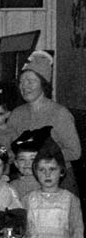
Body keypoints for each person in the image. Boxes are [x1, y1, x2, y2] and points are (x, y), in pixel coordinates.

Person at [8, 51, 81, 194]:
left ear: (43, 84)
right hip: (26, 182)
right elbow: (9, 147)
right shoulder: (16, 114)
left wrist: (42, 158)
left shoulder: (60, 114)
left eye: (30, 81)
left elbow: (75, 152)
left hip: (59, 182)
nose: (24, 86)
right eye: (21, 82)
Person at [23, 145, 83, 238]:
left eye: (52, 169)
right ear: (35, 172)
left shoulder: (70, 199)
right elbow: (22, 230)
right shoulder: (28, 199)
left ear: (61, 172)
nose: (47, 174)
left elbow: (78, 232)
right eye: (42, 170)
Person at [9, 127, 46, 200]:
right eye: (22, 159)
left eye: (32, 159)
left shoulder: (47, 184)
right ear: (16, 163)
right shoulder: (12, 186)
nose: (27, 163)